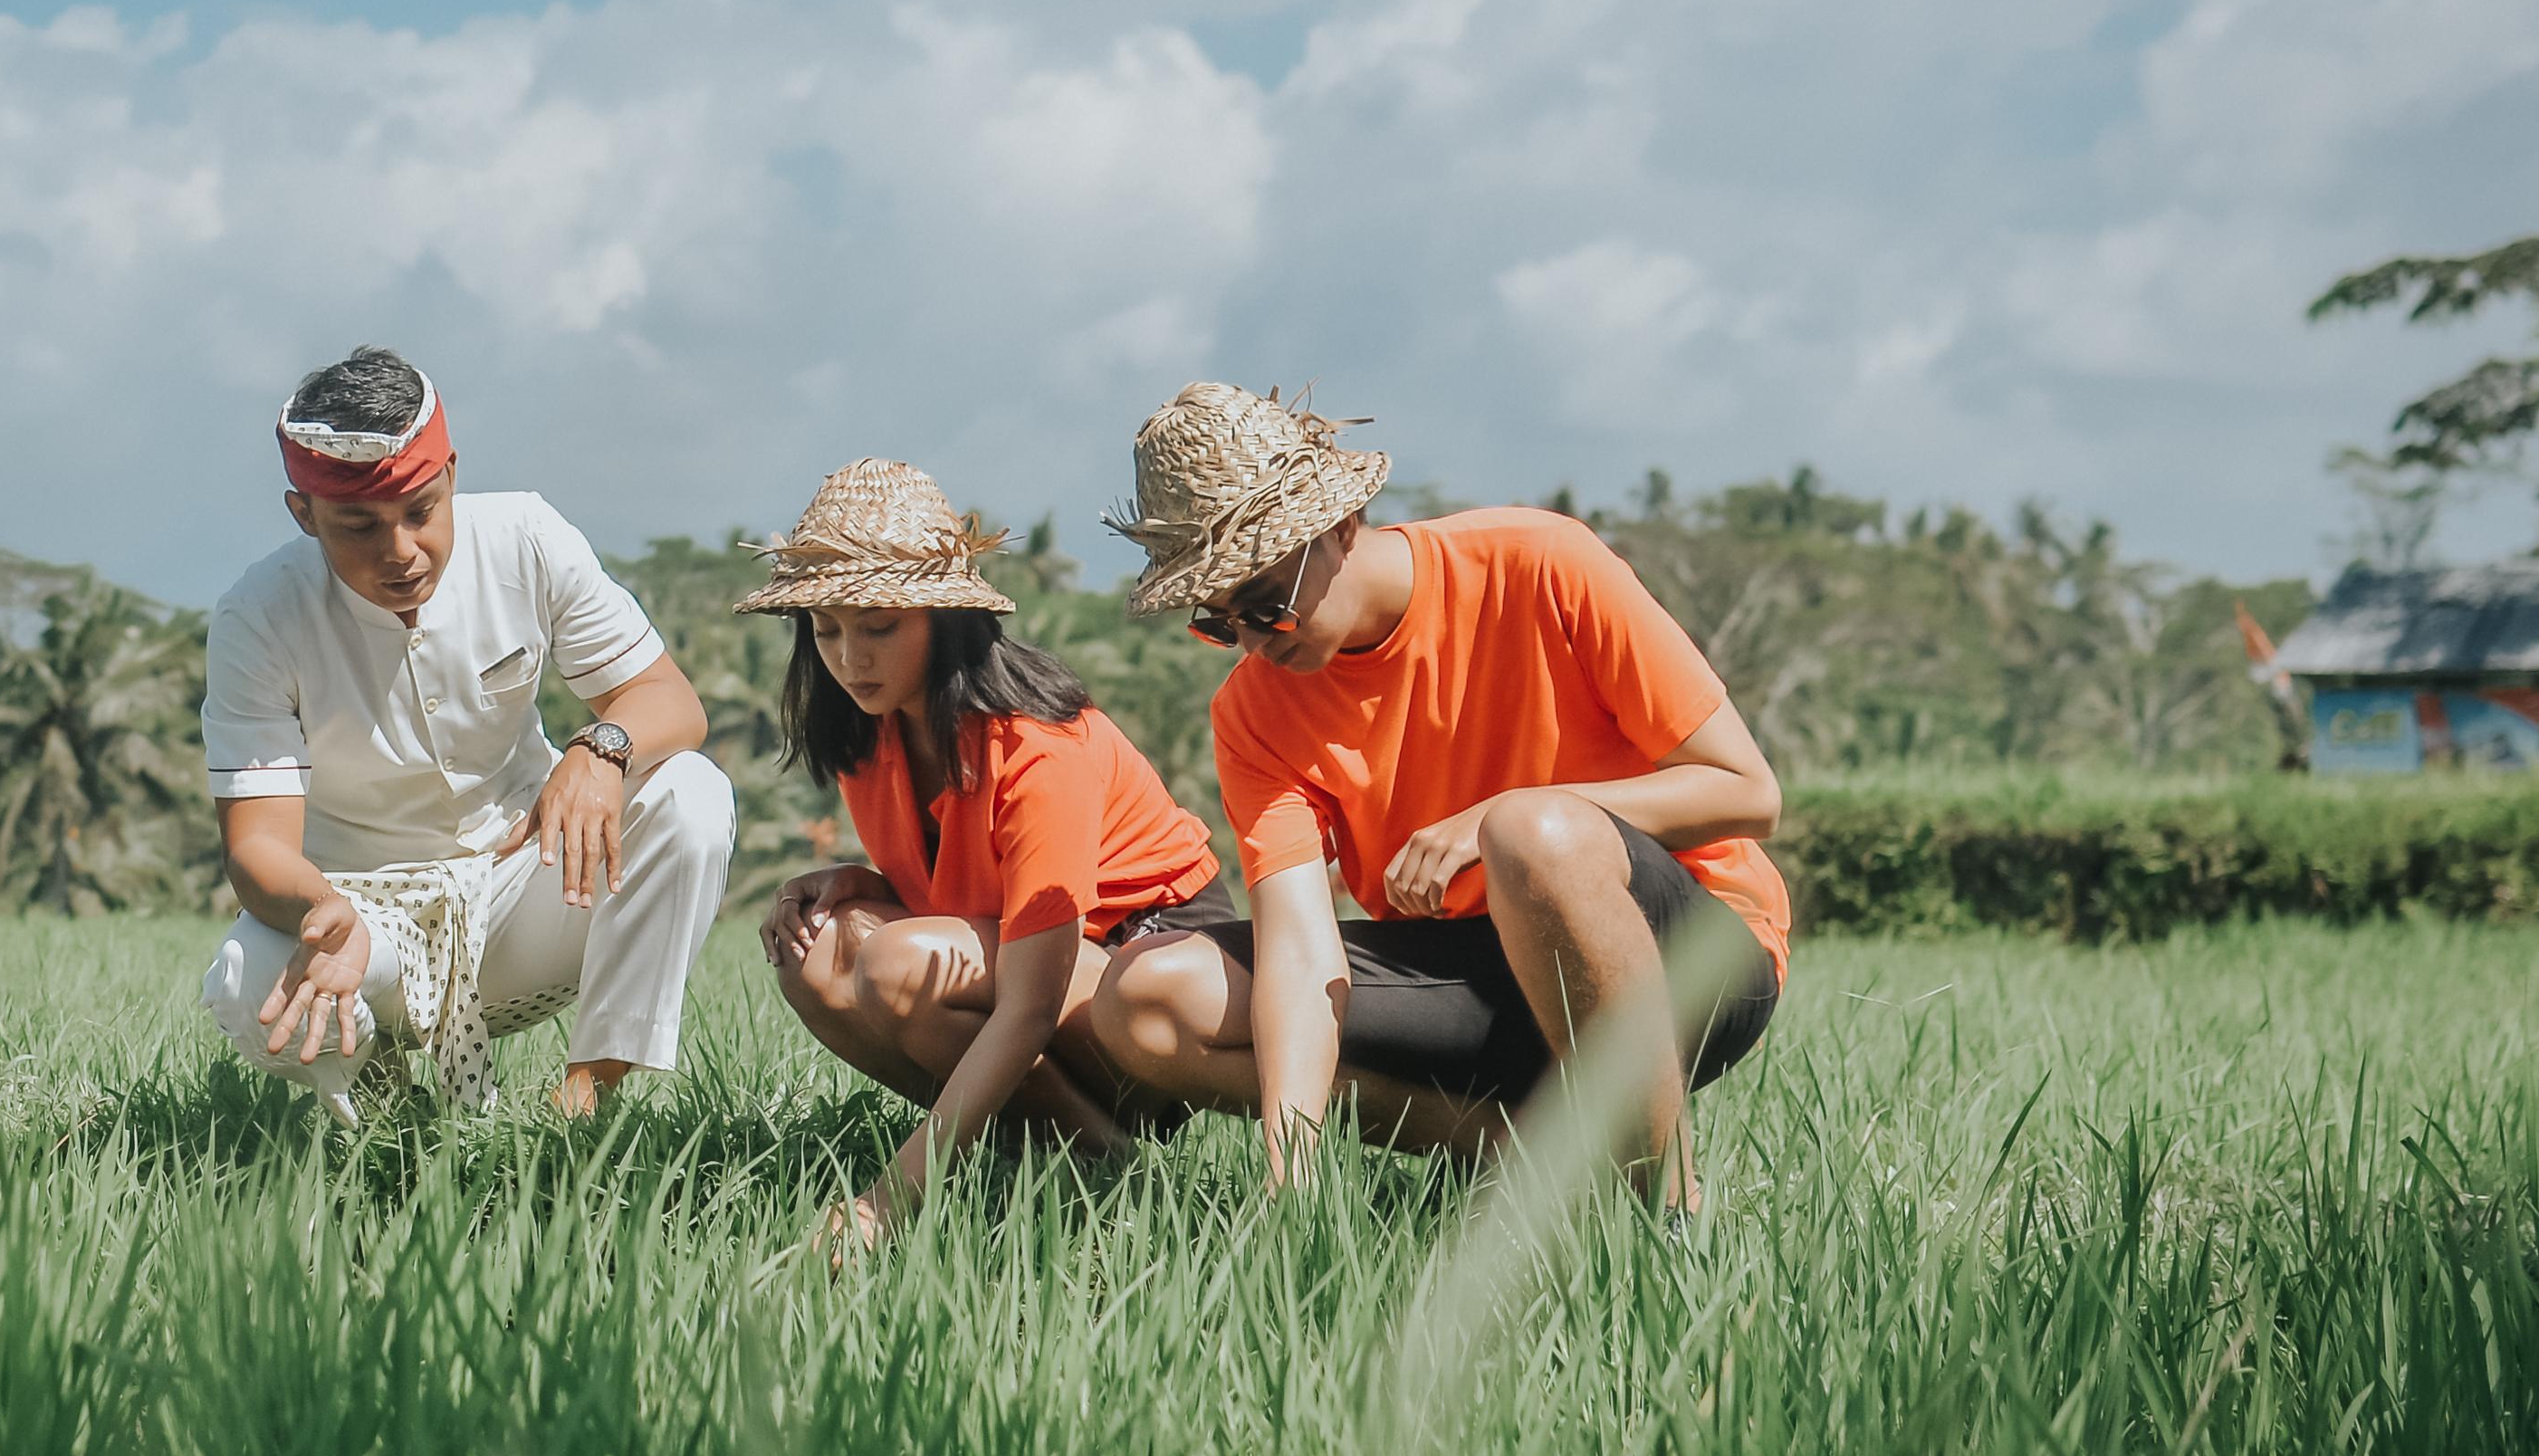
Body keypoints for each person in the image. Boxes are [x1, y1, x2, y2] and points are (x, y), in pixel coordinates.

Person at [1088, 384, 1787, 1210]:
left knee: (1535, 835)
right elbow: (1300, 953)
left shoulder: (1541, 561)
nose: (1251, 643)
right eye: (1218, 620)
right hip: (1482, 979)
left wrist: (1506, 816)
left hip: (1688, 957)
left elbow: (1747, 791)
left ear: (1339, 529)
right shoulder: (1251, 714)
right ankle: (1535, 1155)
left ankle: (1667, 1213)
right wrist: (1292, 1180)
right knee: (1148, 995)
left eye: (1266, 607)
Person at [198, 345, 733, 1120]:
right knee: (249, 972)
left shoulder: (526, 537)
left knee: (691, 790)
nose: (401, 552)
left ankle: (583, 1103)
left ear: (450, 472)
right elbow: (257, 847)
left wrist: (600, 750)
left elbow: (666, 700)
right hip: (366, 924)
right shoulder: (258, 615)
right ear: (303, 512)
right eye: (359, 527)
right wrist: (325, 912)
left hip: (523, 895)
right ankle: (391, 1125)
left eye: (421, 510)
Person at [738, 460, 1233, 1245]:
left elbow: (1032, 996)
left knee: (897, 963)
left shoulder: (1036, 745)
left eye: (877, 626)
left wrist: (883, 1202)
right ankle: (1028, 1148)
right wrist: (854, 880)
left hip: (1148, 977)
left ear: (945, 619)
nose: (848, 658)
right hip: (1036, 966)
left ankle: (1104, 1164)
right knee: (814, 950)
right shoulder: (871, 735)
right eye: (824, 629)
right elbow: (965, 893)